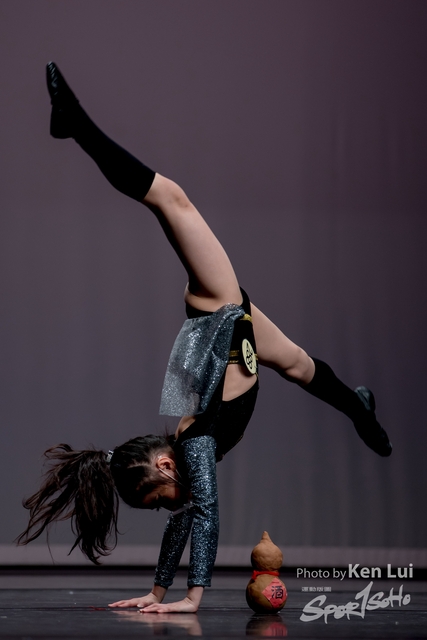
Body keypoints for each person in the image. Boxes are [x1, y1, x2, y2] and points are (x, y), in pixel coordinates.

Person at [17, 63, 392, 614]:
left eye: (158, 500)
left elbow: (207, 516)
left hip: (219, 311)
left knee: (171, 200)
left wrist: (192, 599)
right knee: (297, 364)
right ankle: (359, 407)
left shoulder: (193, 449)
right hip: (237, 336)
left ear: (165, 468)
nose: (168, 508)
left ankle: (76, 126)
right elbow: (187, 521)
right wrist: (156, 592)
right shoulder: (187, 459)